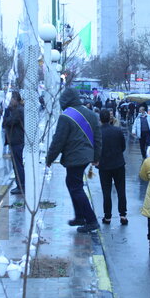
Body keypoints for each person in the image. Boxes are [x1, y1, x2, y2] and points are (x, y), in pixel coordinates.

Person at [47, 88, 102, 233]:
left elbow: (58, 141)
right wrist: (96, 157)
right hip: (86, 156)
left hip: (75, 156)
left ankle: (91, 220)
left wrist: (49, 158)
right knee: (73, 184)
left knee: (75, 187)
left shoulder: (66, 116)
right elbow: (98, 138)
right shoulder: (91, 114)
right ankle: (80, 216)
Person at [97, 109, 127, 225]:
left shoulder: (98, 133)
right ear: (110, 119)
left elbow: (96, 149)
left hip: (104, 166)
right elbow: (123, 147)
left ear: (100, 119)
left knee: (106, 192)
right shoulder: (117, 131)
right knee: (121, 190)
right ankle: (123, 215)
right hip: (119, 164)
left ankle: (107, 217)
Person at [3, 92, 25, 195]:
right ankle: (20, 185)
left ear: (15, 99)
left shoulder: (19, 111)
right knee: (16, 164)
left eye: (11, 99)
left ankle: (21, 186)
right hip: (15, 140)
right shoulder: (17, 110)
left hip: (16, 140)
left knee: (17, 165)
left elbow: (9, 122)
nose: (10, 101)